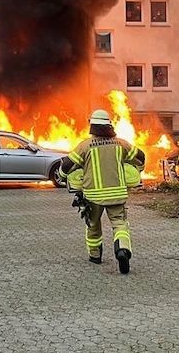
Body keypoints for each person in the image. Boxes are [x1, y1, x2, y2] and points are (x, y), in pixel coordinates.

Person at [61, 109, 145, 274]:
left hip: (93, 196)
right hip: (117, 194)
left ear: (92, 125)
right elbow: (140, 156)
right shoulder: (121, 144)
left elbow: (67, 165)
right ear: (109, 125)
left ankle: (95, 255)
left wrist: (64, 177)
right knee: (120, 224)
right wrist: (137, 171)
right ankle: (122, 251)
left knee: (93, 225)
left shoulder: (85, 146)